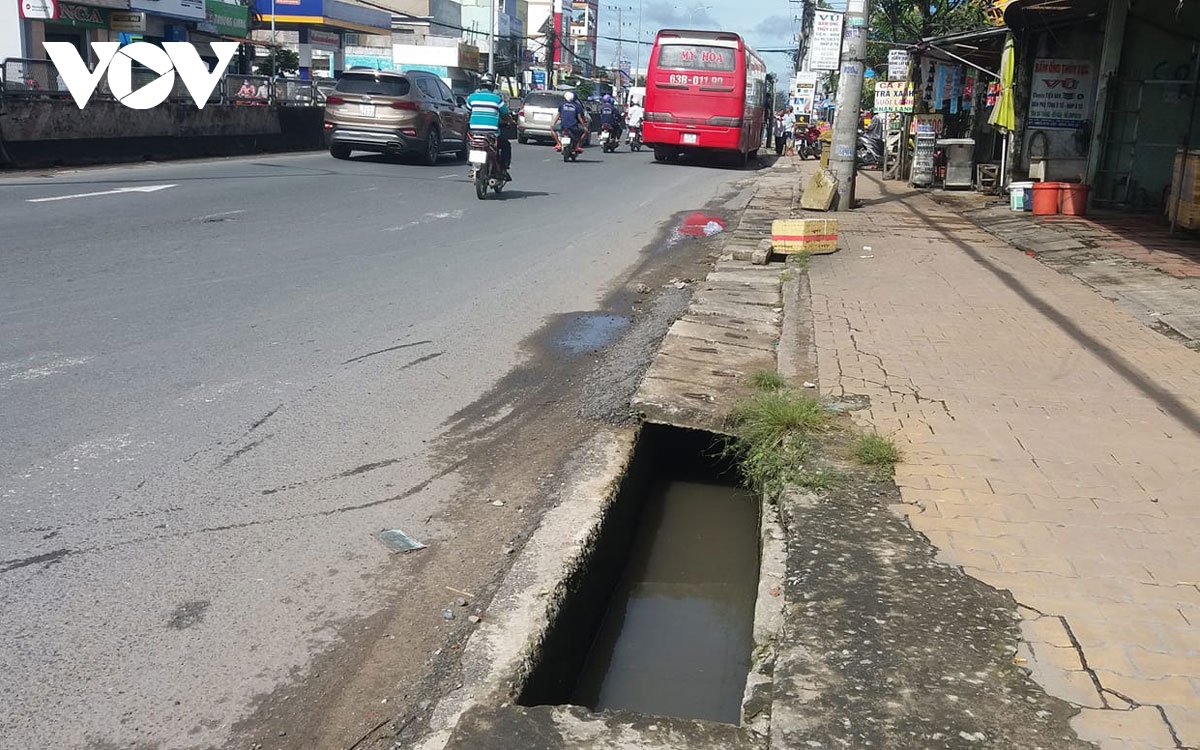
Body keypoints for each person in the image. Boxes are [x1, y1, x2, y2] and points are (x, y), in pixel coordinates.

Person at [466, 74, 513, 180]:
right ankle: (504, 168)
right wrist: (511, 122)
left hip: (474, 133)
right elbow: (505, 115)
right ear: (492, 87)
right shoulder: (497, 99)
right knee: (506, 145)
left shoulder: (472, 98)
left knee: (470, 142)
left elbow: (468, 113)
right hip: (491, 134)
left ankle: (472, 164)